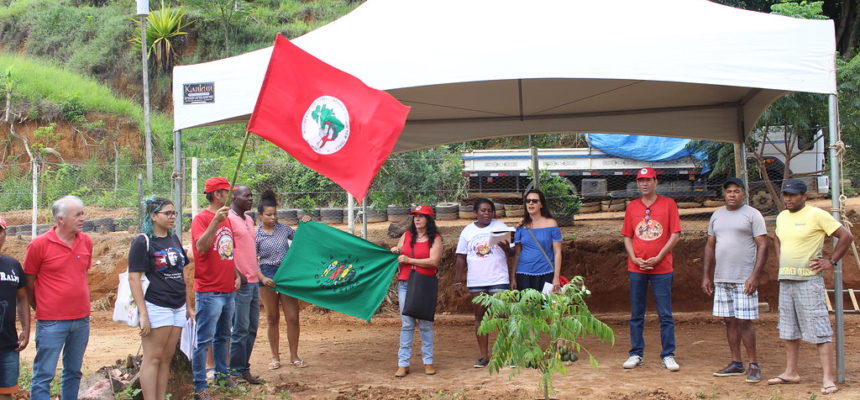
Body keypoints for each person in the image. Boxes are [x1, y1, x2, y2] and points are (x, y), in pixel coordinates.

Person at [767, 178, 853, 396]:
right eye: (785, 194)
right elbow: (777, 238)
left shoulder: (817, 215)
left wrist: (830, 261)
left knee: (819, 329)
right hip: (786, 280)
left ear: (804, 196)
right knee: (788, 329)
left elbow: (846, 236)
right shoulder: (782, 217)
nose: (788, 198)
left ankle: (828, 379)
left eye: (793, 195)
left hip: (808, 280)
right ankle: (791, 372)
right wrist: (781, 259)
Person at [24, 195, 93, 400]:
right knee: (44, 374)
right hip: (51, 320)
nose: (82, 218)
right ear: (60, 219)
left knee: (73, 371)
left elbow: (82, 273)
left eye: (83, 214)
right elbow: (28, 282)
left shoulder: (86, 241)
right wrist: (41, 306)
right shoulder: (39, 245)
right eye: (77, 215)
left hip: (81, 319)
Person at [701, 178, 768, 383]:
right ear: (724, 193)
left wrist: (755, 276)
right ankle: (736, 363)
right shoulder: (717, 215)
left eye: (737, 191)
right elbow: (710, 246)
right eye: (729, 191)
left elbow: (763, 246)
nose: (732, 194)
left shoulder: (753, 215)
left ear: (744, 194)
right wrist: (706, 275)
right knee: (729, 320)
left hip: (744, 279)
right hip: (722, 278)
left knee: (744, 321)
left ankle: (753, 364)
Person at [128, 197, 190, 400]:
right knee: (152, 357)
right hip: (156, 305)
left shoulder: (173, 239)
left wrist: (188, 305)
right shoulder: (143, 241)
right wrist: (143, 313)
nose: (172, 217)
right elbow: (134, 277)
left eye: (174, 213)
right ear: (154, 216)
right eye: (168, 213)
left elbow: (182, 273)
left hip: (177, 305)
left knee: (166, 357)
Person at [621, 168, 682, 372]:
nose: (644, 184)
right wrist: (634, 258)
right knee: (637, 313)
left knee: (665, 313)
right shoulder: (632, 207)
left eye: (648, 180)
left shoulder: (668, 204)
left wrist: (659, 257)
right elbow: (627, 236)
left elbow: (675, 234)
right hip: (636, 268)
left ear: (656, 182)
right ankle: (636, 353)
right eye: (641, 181)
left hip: (662, 268)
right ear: (637, 184)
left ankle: (668, 354)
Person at [191, 177, 242, 400]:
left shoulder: (228, 219)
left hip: (227, 287)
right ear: (218, 195)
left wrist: (236, 273)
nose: (231, 196)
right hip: (209, 290)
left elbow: (227, 251)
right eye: (228, 192)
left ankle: (223, 375)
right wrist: (214, 222)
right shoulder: (201, 219)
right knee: (204, 339)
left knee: (224, 336)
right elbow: (201, 247)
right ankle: (200, 383)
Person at [453, 198, 513, 368]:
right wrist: (457, 280)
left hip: (498, 278)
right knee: (480, 317)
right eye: (483, 210)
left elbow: (512, 252)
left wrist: (506, 248)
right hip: (477, 280)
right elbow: (461, 257)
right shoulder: (467, 231)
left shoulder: (500, 226)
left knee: (502, 316)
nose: (487, 213)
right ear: (475, 213)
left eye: (490, 211)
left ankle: (506, 354)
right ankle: (484, 355)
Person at [255, 190, 306, 370]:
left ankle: (294, 356)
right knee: (271, 317)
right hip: (266, 273)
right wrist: (262, 277)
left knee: (293, 317)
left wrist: (306, 224)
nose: (273, 217)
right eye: (269, 215)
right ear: (260, 215)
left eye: (275, 214)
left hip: (286, 274)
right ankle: (275, 357)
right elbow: (252, 260)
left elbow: (302, 239)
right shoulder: (256, 234)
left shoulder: (284, 229)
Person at [390, 205, 443, 377]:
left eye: (421, 216)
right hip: (406, 282)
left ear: (429, 219)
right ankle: (403, 363)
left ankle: (428, 362)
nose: (417, 219)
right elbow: (399, 252)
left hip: (425, 283)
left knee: (425, 323)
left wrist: (409, 259)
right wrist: (396, 251)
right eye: (415, 216)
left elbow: (434, 261)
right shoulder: (406, 236)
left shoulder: (435, 238)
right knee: (407, 324)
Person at [227, 185, 263, 385]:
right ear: (234, 197)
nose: (250, 198)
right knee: (239, 329)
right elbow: (225, 250)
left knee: (251, 328)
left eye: (251, 195)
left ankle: (243, 368)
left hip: (253, 280)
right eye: (246, 195)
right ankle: (234, 372)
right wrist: (235, 272)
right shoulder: (228, 219)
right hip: (240, 283)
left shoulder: (249, 219)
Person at [0, 216, 29, 400]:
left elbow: (22, 299)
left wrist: (26, 329)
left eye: (0, 230)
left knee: (6, 394)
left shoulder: (13, 265)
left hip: (8, 344)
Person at [511, 190, 562, 292]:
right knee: (527, 306)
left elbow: (557, 252)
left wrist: (556, 277)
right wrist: (513, 277)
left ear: (541, 204)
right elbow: (517, 254)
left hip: (546, 271)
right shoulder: (521, 226)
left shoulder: (551, 224)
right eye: (528, 201)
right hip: (523, 272)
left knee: (545, 306)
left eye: (534, 201)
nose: (530, 203)